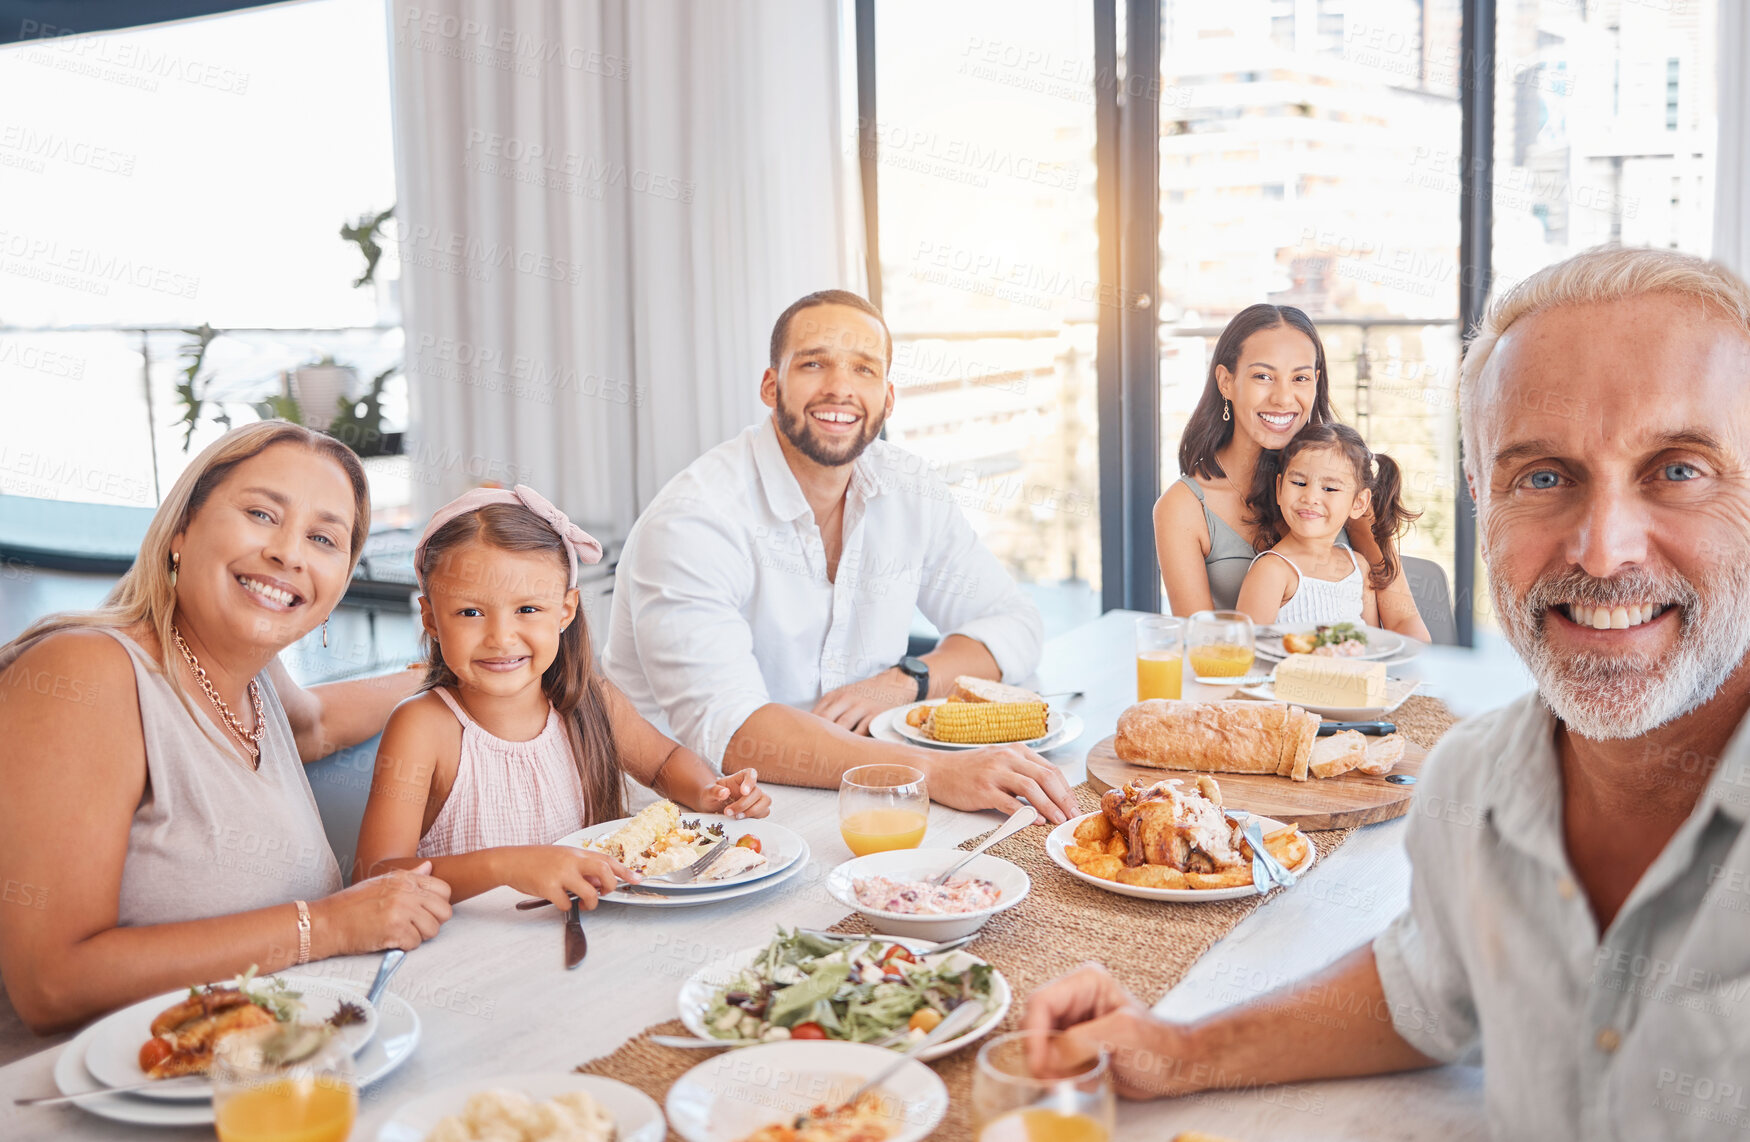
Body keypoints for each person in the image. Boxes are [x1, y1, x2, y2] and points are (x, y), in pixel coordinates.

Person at [1022, 246, 1750, 1140]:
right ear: (1482, 496)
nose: (1604, 552)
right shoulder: (1472, 785)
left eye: (1679, 469)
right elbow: (1424, 988)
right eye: (1544, 477)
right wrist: (1177, 1050)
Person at [0, 422, 452, 1035]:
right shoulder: (84, 673)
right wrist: (328, 925)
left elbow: (318, 723)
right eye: (263, 514)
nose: (289, 553)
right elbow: (50, 982)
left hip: (268, 1065)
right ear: (181, 528)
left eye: (323, 537)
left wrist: (443, 671)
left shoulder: (253, 677)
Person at [603, 289, 1078, 824]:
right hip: (692, 827)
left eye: (864, 370)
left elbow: (1014, 623)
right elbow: (731, 733)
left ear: (889, 398)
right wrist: (932, 772)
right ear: (770, 384)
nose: (840, 388)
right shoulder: (695, 518)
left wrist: (907, 680)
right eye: (814, 363)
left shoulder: (908, 486)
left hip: (862, 798)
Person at [355, 485, 769, 912]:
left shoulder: (591, 703)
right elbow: (374, 877)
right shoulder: (424, 727)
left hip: (590, 939)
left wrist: (708, 791)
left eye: (528, 609)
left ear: (565, 611)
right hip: (471, 961)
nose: (501, 638)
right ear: (431, 619)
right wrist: (505, 866)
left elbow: (664, 763)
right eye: (471, 612)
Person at [1154, 304, 1429, 640]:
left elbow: (1404, 622)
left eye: (1299, 378)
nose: (1284, 398)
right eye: (1262, 376)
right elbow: (1202, 646)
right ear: (1226, 381)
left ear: (1315, 382)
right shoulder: (1183, 508)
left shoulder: (1341, 484)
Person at [1234, 423, 1422, 629]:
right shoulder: (1272, 571)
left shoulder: (1359, 568)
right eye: (1299, 483)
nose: (1311, 497)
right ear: (1279, 489)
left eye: (1330, 488)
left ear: (1359, 503)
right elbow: (1246, 649)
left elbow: (1370, 643)